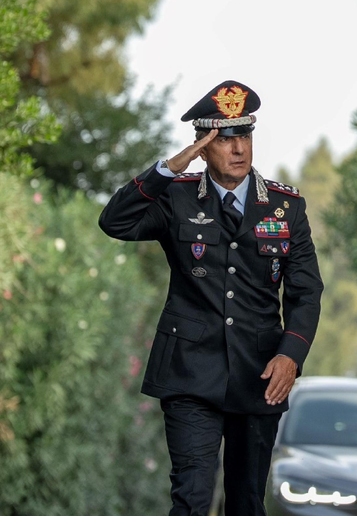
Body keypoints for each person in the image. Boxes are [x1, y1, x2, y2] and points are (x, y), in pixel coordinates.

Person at [98, 80, 324, 516]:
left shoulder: (285, 207)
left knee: (245, 504)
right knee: (192, 499)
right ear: (202, 147)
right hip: (188, 375)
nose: (238, 149)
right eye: (224, 139)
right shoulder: (175, 197)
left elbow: (305, 291)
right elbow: (114, 222)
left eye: (244, 136)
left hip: (260, 375)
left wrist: (291, 355)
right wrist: (168, 167)